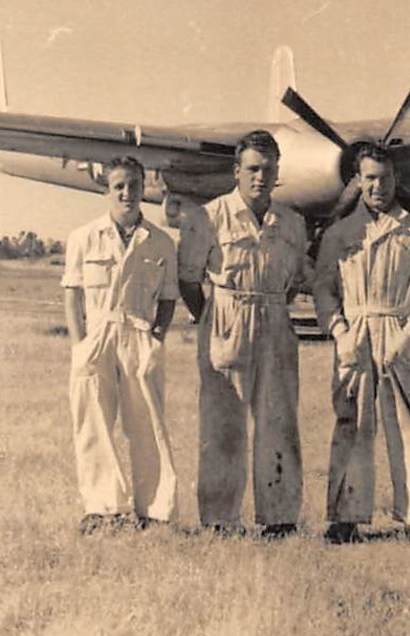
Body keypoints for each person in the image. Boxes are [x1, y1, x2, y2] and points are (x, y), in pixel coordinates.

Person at [178, 130, 308, 538]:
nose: (260, 177)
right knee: (222, 426)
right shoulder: (208, 217)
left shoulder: (291, 222)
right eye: (252, 168)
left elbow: (293, 280)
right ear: (236, 171)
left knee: (279, 423)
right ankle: (220, 519)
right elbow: (188, 279)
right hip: (226, 319)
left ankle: (280, 518)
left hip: (274, 319)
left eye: (268, 169)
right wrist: (214, 321)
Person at [313, 143, 410, 544]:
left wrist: (406, 337)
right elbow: (324, 291)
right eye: (369, 178)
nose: (377, 186)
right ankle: (345, 517)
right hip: (354, 335)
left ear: (396, 180)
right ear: (358, 181)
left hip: (399, 334)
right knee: (352, 424)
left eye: (385, 178)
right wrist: (340, 333)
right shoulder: (339, 234)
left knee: (408, 426)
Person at [61, 155, 180, 535]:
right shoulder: (83, 238)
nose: (127, 193)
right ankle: (102, 509)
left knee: (147, 425)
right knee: (92, 423)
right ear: (107, 190)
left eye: (134, 186)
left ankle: (155, 511)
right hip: (97, 337)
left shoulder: (161, 241)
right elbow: (72, 296)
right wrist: (80, 346)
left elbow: (168, 298)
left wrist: (156, 338)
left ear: (145, 189)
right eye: (119, 186)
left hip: (139, 335)